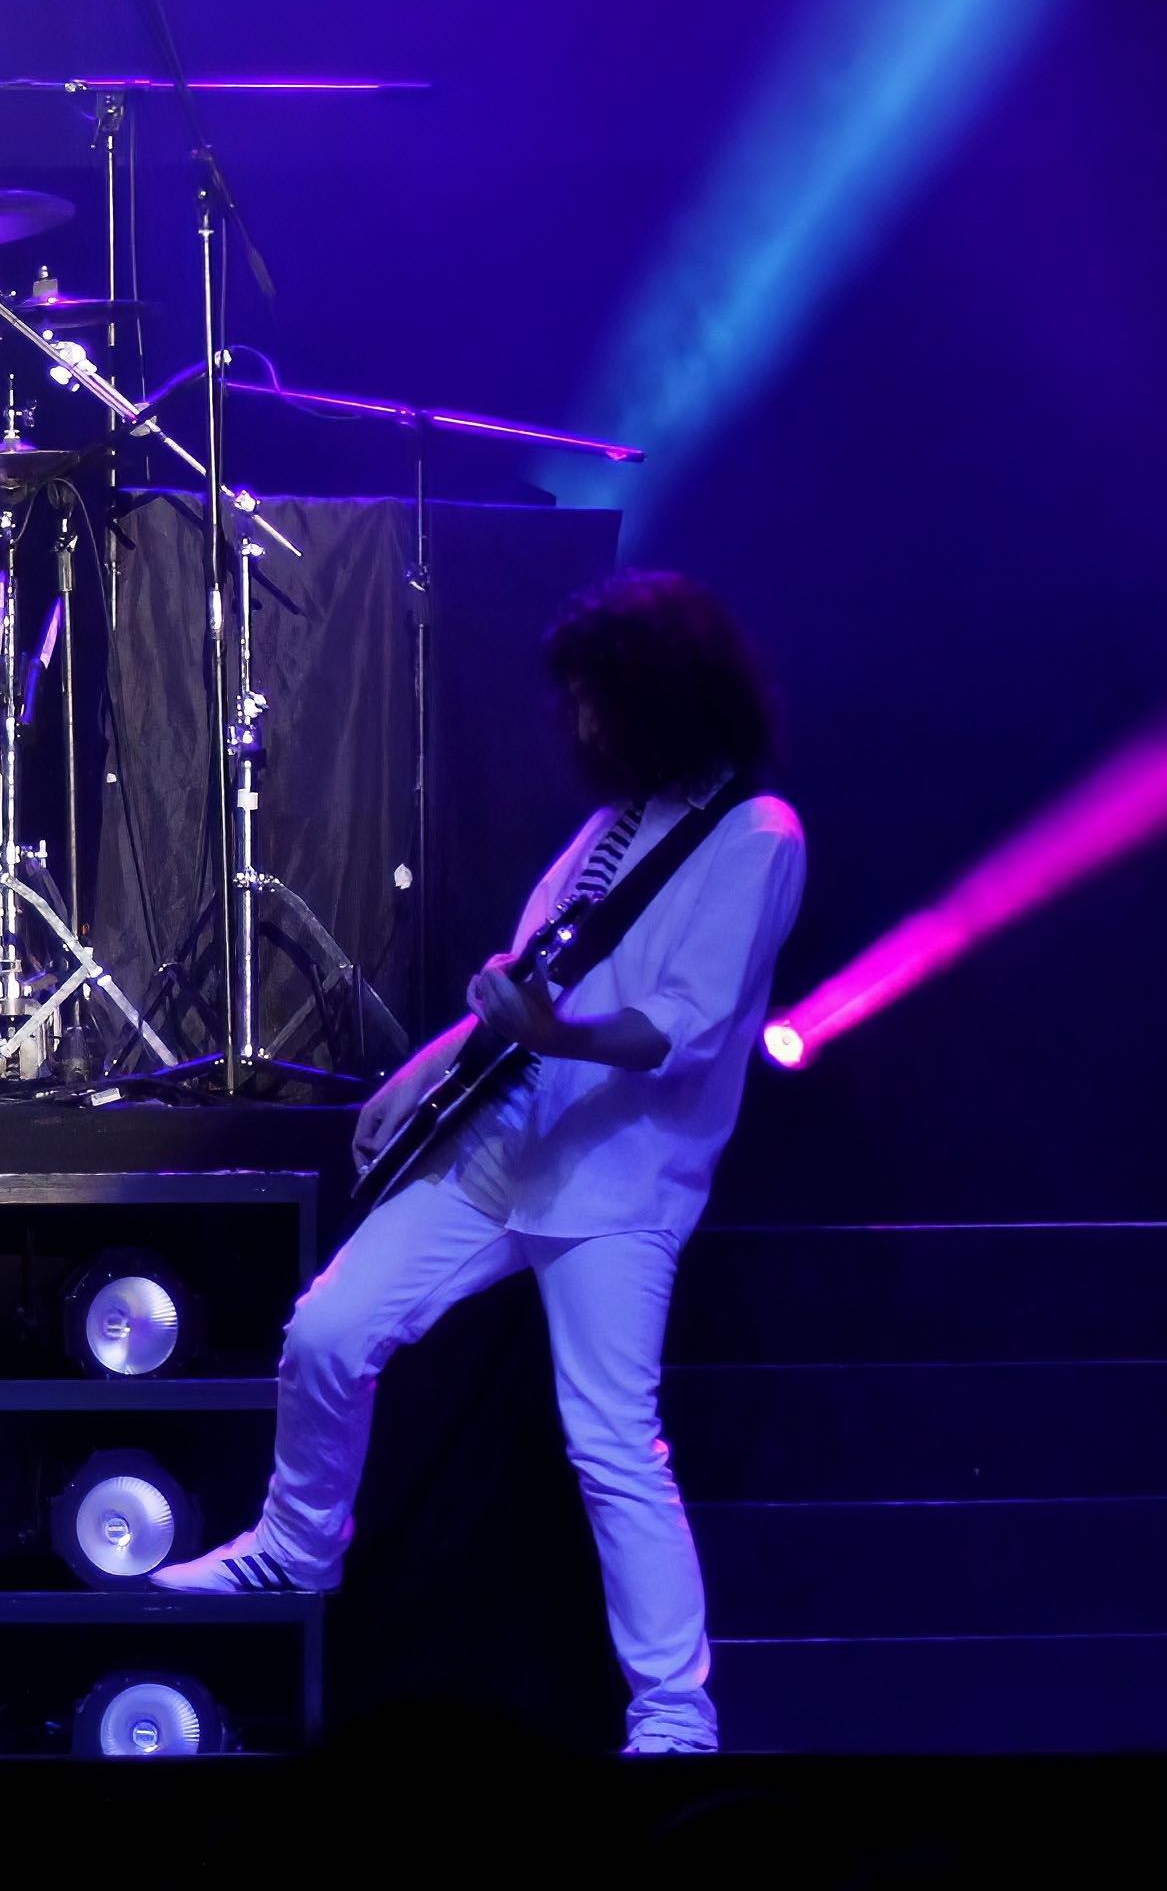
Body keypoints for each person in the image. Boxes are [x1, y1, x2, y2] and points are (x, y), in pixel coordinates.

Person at [154, 572, 806, 1760]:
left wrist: (549, 1031)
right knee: (329, 1330)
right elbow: (528, 979)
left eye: (598, 697)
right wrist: (425, 1069)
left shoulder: (754, 834)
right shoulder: (609, 826)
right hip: (506, 1144)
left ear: (663, 694)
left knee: (612, 1441)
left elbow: (683, 1026)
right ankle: (294, 1545)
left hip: (619, 1181)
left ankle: (673, 1711)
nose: (582, 723)